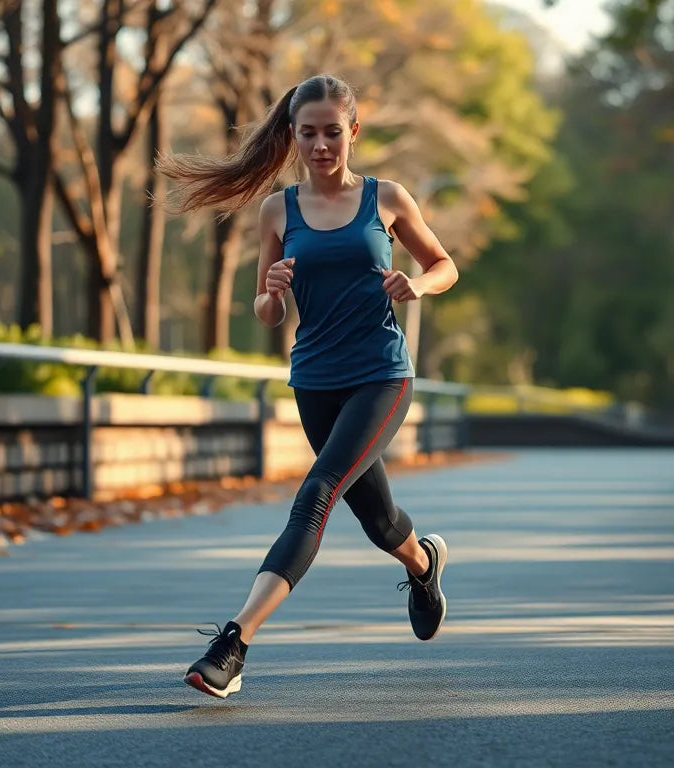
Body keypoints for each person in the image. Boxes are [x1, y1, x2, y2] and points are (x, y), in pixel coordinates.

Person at [154, 73, 460, 699]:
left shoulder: (387, 198)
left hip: (380, 376)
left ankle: (234, 643)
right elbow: (267, 312)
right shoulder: (278, 209)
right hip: (314, 380)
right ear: (292, 137)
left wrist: (417, 285)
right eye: (308, 133)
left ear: (353, 131)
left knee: (316, 494)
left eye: (332, 133)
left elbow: (444, 264)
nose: (321, 145)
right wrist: (272, 294)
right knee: (379, 521)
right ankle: (423, 563)